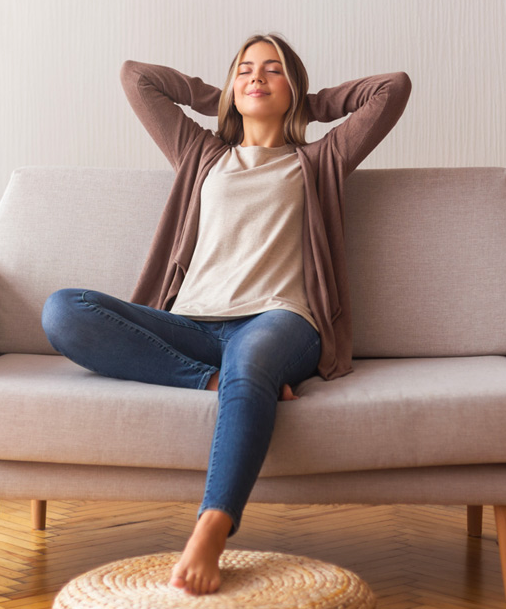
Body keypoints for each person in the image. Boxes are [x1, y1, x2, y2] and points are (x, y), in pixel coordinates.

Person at [41, 33, 411, 595]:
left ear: (295, 87)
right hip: (191, 325)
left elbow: (392, 89)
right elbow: (137, 77)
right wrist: (226, 97)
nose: (257, 78)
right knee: (64, 310)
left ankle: (211, 529)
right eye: (246, 70)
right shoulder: (202, 154)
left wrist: (308, 102)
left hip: (280, 320)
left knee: (254, 359)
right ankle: (210, 380)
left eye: (273, 70)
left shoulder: (321, 160)